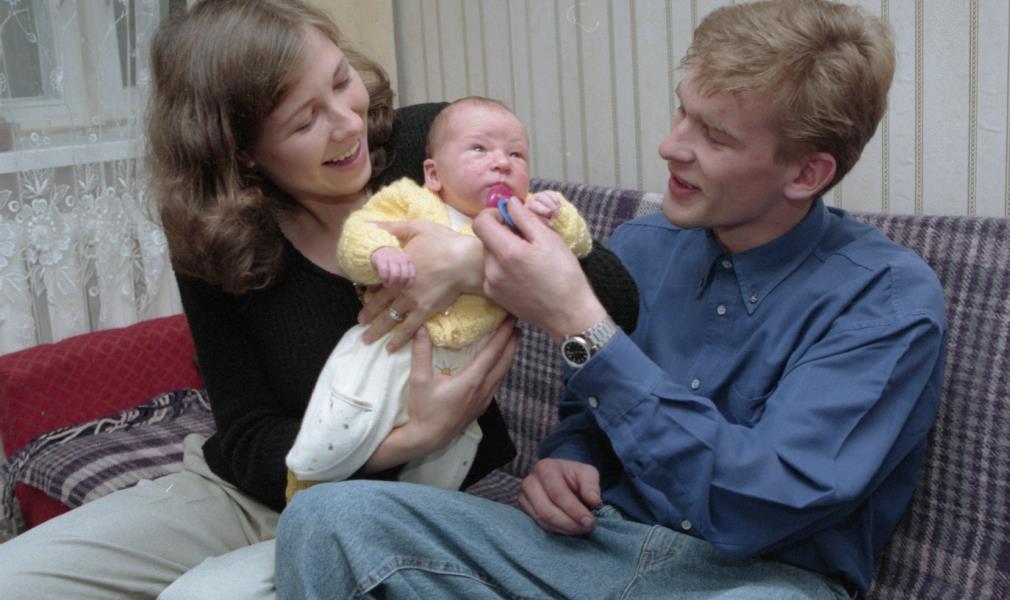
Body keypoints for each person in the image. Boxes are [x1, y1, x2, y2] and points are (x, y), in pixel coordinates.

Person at [275, 0, 948, 598]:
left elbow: (761, 506)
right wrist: (569, 456)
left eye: (714, 134)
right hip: (592, 548)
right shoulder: (644, 245)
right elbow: (589, 413)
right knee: (328, 517)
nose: (670, 146)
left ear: (806, 173)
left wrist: (579, 321)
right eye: (682, 110)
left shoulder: (885, 300)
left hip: (757, 575)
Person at [0, 1, 637, 598]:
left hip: (405, 501)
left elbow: (616, 301)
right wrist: (416, 434)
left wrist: (468, 261)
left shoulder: (427, 148)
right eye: (305, 121)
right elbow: (248, 435)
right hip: (250, 492)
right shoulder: (215, 232)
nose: (347, 123)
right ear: (242, 151)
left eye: (340, 80)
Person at [285, 96, 600, 498]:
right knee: (343, 425)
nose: (502, 163)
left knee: (442, 478)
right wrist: (379, 254)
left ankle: (411, 513)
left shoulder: (521, 220)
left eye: (516, 154)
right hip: (389, 354)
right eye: (480, 149)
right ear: (433, 174)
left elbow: (578, 247)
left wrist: (557, 216)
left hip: (464, 373)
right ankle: (304, 482)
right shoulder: (412, 201)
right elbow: (359, 233)